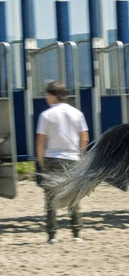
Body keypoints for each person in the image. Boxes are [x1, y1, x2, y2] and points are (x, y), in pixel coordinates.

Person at [36, 81, 89, 243]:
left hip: (52, 158)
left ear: (53, 96)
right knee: (73, 196)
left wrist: (41, 161)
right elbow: (84, 137)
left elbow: (40, 141)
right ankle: (76, 233)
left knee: (51, 197)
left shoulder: (46, 115)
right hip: (72, 158)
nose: (46, 98)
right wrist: (80, 155)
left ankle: (52, 235)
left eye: (47, 95)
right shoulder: (77, 113)